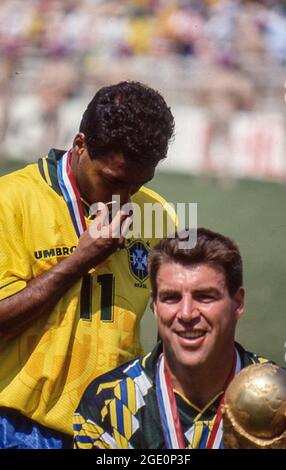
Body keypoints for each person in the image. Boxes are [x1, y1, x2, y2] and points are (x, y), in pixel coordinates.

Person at [0, 81, 176, 448]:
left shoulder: (159, 215)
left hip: (114, 433)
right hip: (17, 428)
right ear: (80, 145)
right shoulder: (10, 201)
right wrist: (79, 261)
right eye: (114, 180)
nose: (125, 198)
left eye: (139, 184)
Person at [73, 228, 273, 449]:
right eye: (171, 298)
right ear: (155, 307)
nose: (187, 313)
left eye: (204, 296)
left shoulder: (277, 399)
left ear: (238, 303)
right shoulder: (108, 403)